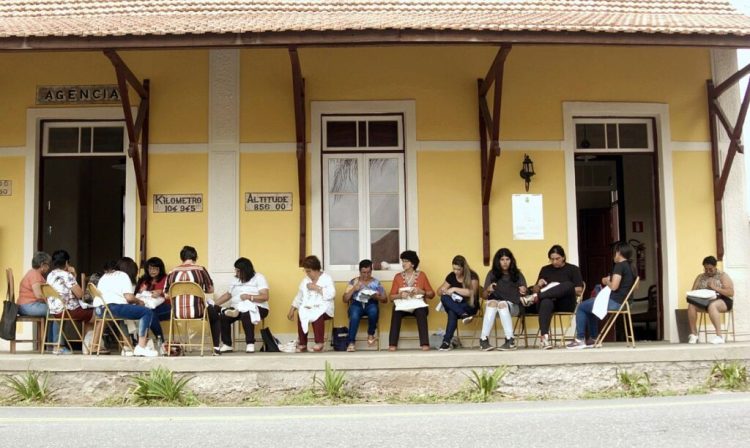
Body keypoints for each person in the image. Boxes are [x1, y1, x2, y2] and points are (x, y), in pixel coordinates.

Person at [567, 241, 637, 349]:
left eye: (614, 252)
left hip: (615, 302)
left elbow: (614, 287)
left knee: (581, 307)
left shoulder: (619, 266)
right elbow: (635, 287)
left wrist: (605, 281)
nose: (613, 255)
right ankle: (593, 339)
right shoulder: (631, 267)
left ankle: (580, 339)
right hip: (626, 303)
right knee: (591, 307)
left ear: (618, 252)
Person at [522, 245, 583, 350]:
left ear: (563, 257)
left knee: (568, 284)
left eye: (557, 259)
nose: (554, 262)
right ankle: (544, 339)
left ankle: (535, 297)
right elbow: (535, 288)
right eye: (552, 259)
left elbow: (579, 290)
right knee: (546, 301)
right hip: (548, 303)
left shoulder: (573, 269)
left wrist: (561, 289)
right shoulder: (545, 269)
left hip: (565, 302)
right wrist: (539, 285)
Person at [98, 257, 161, 357]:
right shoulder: (123, 276)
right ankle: (141, 347)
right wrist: (139, 301)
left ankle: (127, 346)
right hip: (114, 307)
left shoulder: (105, 276)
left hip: (100, 310)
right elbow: (129, 298)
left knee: (124, 318)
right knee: (147, 312)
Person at [208, 257, 270, 354]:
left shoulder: (258, 277)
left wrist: (250, 297)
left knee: (246, 313)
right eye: (236, 270)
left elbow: (265, 296)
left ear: (245, 270)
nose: (236, 273)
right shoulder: (235, 280)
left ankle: (250, 343)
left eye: (238, 271)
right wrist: (215, 304)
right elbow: (228, 294)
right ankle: (227, 344)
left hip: (257, 307)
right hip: (237, 308)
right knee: (224, 316)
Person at [46, 250, 94, 354]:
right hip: (68, 310)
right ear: (67, 262)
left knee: (86, 315)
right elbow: (80, 295)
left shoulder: (50, 275)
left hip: (54, 310)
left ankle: (58, 346)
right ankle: (89, 346)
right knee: (96, 315)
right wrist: (74, 274)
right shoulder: (67, 275)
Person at [479, 248, 527, 351]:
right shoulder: (492, 273)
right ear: (498, 261)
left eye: (507, 259)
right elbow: (483, 296)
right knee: (492, 302)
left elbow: (525, 294)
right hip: (494, 308)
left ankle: (510, 340)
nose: (505, 262)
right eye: (502, 259)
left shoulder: (517, 274)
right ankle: (483, 340)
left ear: (511, 260)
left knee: (502, 304)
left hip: (513, 306)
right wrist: (488, 290)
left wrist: (523, 290)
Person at [388, 250, 435, 351]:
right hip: (403, 306)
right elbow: (391, 297)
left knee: (421, 311)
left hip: (418, 305)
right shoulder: (398, 277)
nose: (403, 263)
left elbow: (432, 294)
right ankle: (392, 344)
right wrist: (400, 295)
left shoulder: (422, 275)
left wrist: (421, 291)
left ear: (413, 263)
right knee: (396, 310)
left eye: (406, 261)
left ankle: (425, 343)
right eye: (402, 261)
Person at [287, 255, 335, 352]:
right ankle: (303, 343)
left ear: (316, 269)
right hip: (309, 306)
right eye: (306, 271)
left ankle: (319, 342)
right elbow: (299, 296)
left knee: (317, 313)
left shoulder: (327, 278)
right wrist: (292, 310)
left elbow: (332, 294)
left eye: (309, 271)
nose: (307, 273)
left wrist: (316, 288)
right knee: (301, 312)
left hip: (324, 308)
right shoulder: (305, 280)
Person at [687, 256, 735, 345]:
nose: (708, 271)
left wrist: (715, 288)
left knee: (712, 306)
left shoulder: (722, 276)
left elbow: (731, 292)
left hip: (722, 300)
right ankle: (694, 334)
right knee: (691, 305)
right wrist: (700, 293)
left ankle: (719, 336)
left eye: (710, 269)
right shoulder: (700, 277)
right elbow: (693, 292)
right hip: (705, 301)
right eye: (706, 269)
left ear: (715, 266)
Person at [436, 255, 479, 351]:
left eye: (458, 269)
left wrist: (454, 289)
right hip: (458, 307)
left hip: (469, 306)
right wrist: (443, 290)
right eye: (454, 269)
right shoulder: (451, 276)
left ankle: (446, 342)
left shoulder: (472, 276)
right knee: (444, 297)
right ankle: (463, 315)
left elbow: (472, 293)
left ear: (464, 268)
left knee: (452, 312)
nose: (456, 272)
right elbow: (438, 292)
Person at [342, 259, 386, 352]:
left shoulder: (376, 283)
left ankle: (371, 334)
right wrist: (354, 289)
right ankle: (351, 342)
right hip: (356, 304)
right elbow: (345, 299)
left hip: (371, 303)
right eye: (363, 272)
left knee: (374, 311)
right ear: (360, 271)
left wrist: (375, 296)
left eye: (368, 272)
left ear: (371, 271)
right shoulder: (354, 281)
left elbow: (385, 299)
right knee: (354, 315)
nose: (366, 275)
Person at [135, 257, 170, 323]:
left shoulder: (166, 279)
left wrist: (161, 292)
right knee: (140, 313)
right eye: (150, 269)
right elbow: (138, 295)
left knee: (148, 315)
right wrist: (141, 291)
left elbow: (172, 293)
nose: (152, 271)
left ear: (160, 269)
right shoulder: (145, 280)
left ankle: (145, 333)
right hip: (147, 306)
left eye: (155, 269)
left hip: (165, 306)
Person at [17, 251, 52, 318]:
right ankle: (58, 329)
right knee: (56, 310)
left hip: (25, 306)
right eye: (48, 265)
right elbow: (38, 295)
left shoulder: (32, 272)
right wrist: (50, 299)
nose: (48, 267)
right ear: (42, 265)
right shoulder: (35, 275)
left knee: (53, 309)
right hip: (28, 306)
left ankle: (47, 329)